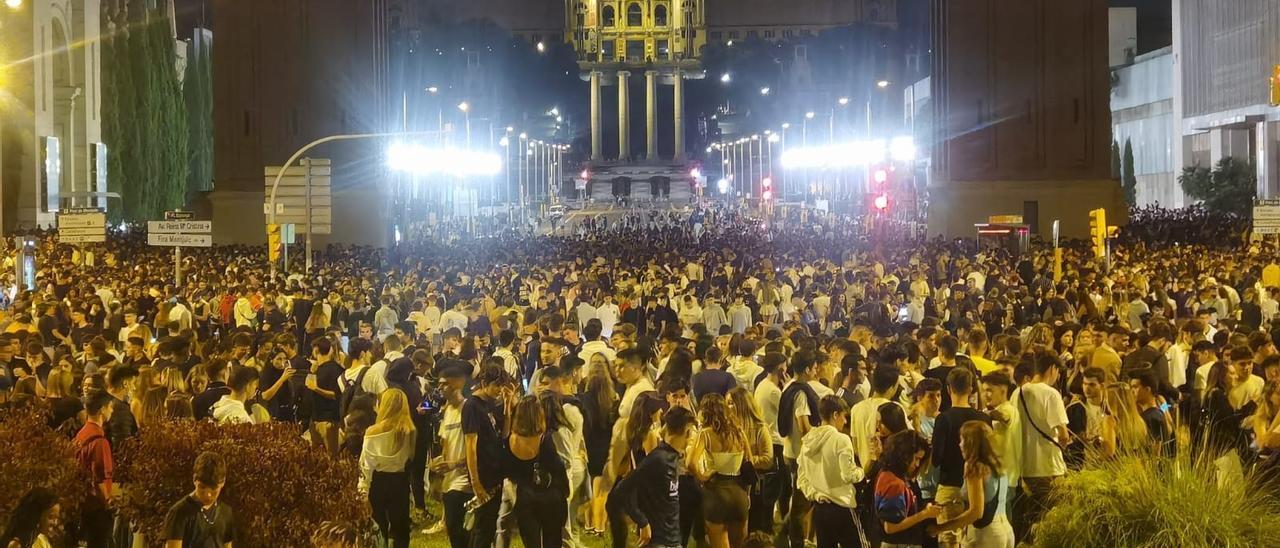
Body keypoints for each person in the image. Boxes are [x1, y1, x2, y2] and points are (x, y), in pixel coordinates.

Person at [612, 406, 697, 548]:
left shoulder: (673, 457)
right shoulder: (657, 459)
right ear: (687, 432)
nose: (692, 439)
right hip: (658, 542)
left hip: (673, 541)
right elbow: (622, 490)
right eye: (692, 433)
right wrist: (642, 522)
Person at [1009, 351, 1069, 542]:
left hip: (1024, 469)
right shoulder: (1051, 394)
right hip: (1049, 467)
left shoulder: (1017, 392)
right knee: (1050, 523)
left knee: (1029, 521)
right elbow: (1064, 434)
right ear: (1052, 369)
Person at [930, 368, 990, 548]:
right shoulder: (984, 418)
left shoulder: (944, 419)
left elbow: (936, 459)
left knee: (949, 542)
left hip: (950, 489)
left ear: (949, 389)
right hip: (979, 491)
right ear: (971, 389)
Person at [931, 421, 1015, 548]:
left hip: (986, 534)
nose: (959, 444)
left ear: (971, 443)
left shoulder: (974, 467)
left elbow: (976, 512)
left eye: (962, 440)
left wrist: (941, 528)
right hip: (1006, 531)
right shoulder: (998, 464)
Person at [796, 395, 864, 548]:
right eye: (843, 417)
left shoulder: (807, 442)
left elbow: (801, 479)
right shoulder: (841, 440)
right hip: (843, 507)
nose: (845, 421)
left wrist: (815, 494)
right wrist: (861, 472)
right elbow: (848, 475)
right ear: (835, 415)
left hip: (820, 509)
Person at [687, 393, 750, 548]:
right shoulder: (738, 432)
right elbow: (749, 460)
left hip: (715, 493)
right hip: (738, 493)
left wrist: (702, 477)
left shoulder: (705, 434)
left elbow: (690, 463)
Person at [505, 395, 569, 548]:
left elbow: (508, 470)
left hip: (525, 498)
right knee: (552, 540)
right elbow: (557, 468)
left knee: (531, 542)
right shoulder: (544, 439)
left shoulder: (510, 440)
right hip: (550, 497)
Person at [463, 365, 515, 548]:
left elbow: (503, 435)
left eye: (502, 386)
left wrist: (507, 407)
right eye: (496, 386)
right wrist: (476, 483)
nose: (500, 390)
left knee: (489, 523)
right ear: (484, 383)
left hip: (495, 473)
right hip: (483, 475)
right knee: (483, 527)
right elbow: (470, 446)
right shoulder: (472, 406)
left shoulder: (490, 403)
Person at [359, 388, 415, 548]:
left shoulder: (373, 431)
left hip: (378, 481)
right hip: (400, 481)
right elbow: (410, 459)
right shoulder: (410, 431)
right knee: (401, 529)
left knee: (378, 527)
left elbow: (366, 466)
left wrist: (362, 492)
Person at [874, 430, 940, 548]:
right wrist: (924, 514)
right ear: (904, 455)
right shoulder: (894, 483)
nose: (917, 464)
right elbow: (891, 527)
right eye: (916, 458)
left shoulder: (897, 476)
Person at [162, 451, 235, 547]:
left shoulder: (226, 512)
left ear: (223, 482)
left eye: (213, 489)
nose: (208, 495)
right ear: (194, 480)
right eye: (202, 487)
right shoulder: (179, 512)